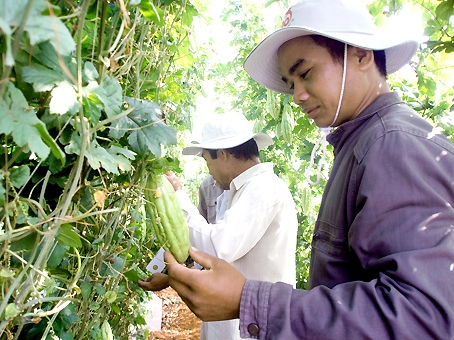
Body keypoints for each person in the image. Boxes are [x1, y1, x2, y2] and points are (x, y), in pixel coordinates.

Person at [139, 0, 454, 339]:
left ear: (361, 55)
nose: (298, 96)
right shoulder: (362, 146)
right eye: (291, 85)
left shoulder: (394, 146)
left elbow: (423, 318)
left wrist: (251, 302)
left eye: (305, 74)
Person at [139, 111, 298, 340]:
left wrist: (176, 198)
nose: (208, 171)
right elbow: (216, 262)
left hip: (251, 331)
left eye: (207, 160)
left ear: (223, 154)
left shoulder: (264, 188)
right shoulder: (236, 193)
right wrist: (171, 278)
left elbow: (218, 249)